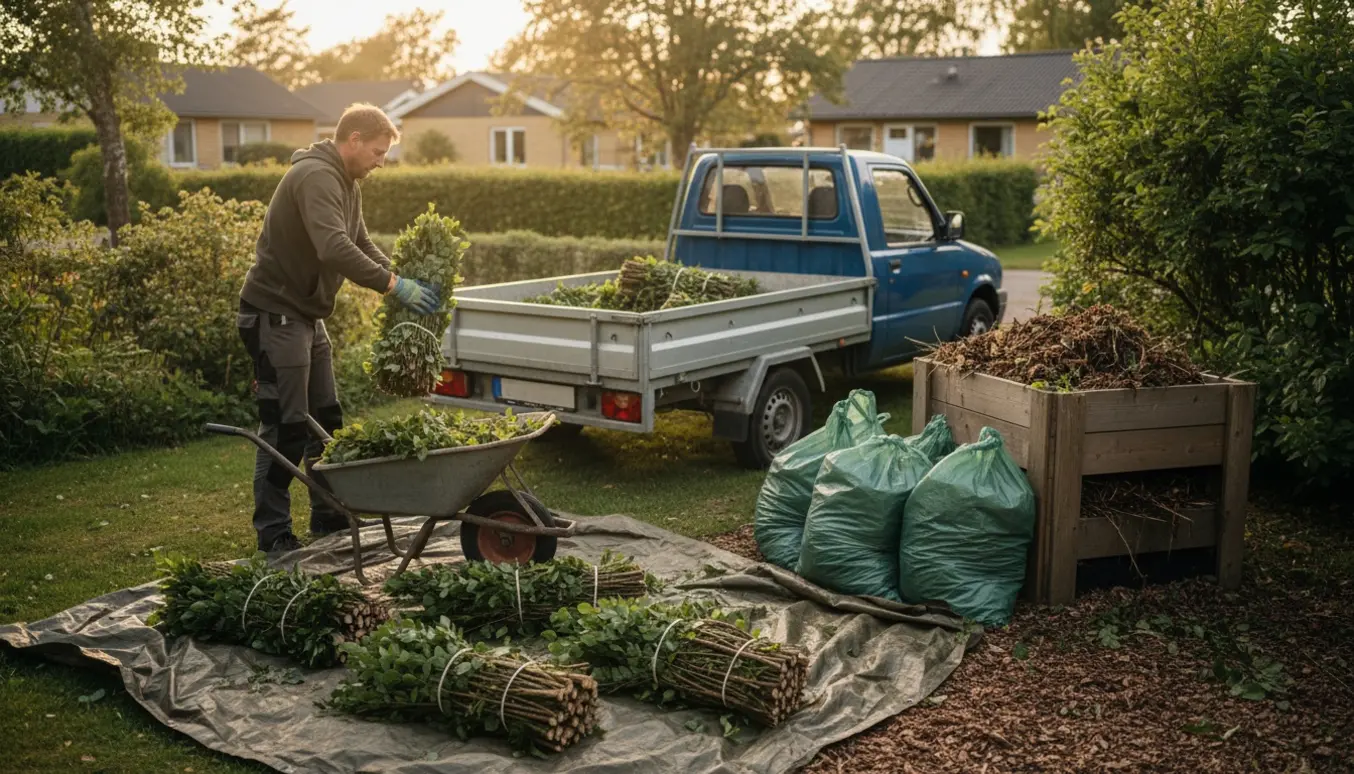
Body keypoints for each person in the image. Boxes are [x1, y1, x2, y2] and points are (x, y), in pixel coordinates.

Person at [236, 103, 440, 554]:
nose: (381, 161)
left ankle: (328, 516)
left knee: (325, 419)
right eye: (378, 151)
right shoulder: (315, 177)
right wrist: (393, 286)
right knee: (284, 425)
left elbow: (359, 239)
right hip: (275, 315)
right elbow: (333, 247)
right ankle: (273, 533)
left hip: (305, 315)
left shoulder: (347, 181)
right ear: (353, 140)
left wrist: (400, 277)